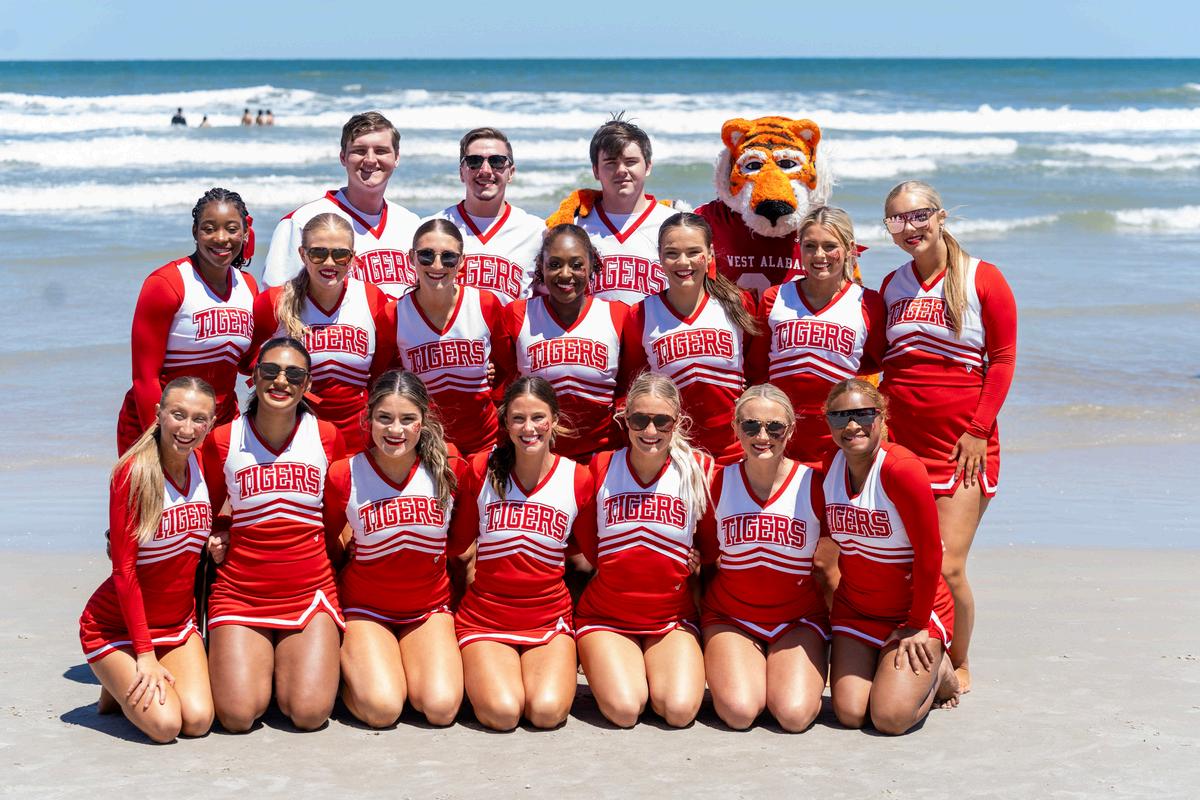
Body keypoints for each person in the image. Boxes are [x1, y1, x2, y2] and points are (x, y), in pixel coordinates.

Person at [879, 180, 1017, 694]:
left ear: (941, 216)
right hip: (902, 443)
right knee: (909, 557)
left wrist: (979, 430)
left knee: (948, 564)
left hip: (963, 447)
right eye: (897, 220)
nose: (910, 227)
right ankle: (916, 641)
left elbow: (1002, 360)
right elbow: (879, 360)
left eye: (919, 215)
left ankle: (959, 660)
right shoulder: (891, 285)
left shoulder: (982, 277)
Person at [201, 337, 345, 732]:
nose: (281, 381)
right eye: (271, 371)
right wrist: (222, 531)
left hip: (310, 592)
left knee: (309, 714)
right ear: (254, 376)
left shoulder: (326, 435)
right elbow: (206, 505)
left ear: (307, 385)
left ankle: (305, 664)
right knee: (237, 716)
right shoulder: (224, 438)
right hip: (240, 591)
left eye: (294, 375)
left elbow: (337, 515)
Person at [323, 370, 467, 728]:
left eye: (407, 419)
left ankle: (396, 667)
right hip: (365, 609)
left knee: (441, 708)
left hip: (428, 609)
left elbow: (461, 540)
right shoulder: (345, 473)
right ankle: (350, 677)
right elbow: (326, 540)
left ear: (423, 420)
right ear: (368, 419)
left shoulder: (449, 465)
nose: (395, 430)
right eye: (384, 418)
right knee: (383, 710)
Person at [448, 377, 592, 731]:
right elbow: (457, 544)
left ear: (554, 419)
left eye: (538, 417)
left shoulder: (578, 478)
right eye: (518, 419)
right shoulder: (481, 469)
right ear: (505, 423)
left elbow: (591, 549)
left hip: (548, 619)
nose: (529, 428)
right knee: (502, 713)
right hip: (485, 619)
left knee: (546, 712)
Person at [80, 377, 217, 743]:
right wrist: (144, 654)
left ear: (211, 424)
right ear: (158, 414)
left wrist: (219, 538)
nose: (187, 428)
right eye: (178, 414)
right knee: (166, 726)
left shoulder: (200, 463)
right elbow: (124, 572)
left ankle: (116, 687)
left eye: (199, 419)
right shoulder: (133, 473)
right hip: (116, 627)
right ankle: (115, 668)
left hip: (177, 623)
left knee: (198, 721)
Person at [822, 378, 960, 734]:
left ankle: (940, 670)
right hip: (856, 610)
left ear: (882, 417)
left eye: (863, 414)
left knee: (889, 719)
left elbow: (930, 554)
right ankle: (889, 668)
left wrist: (918, 624)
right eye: (839, 417)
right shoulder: (830, 465)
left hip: (911, 613)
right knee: (850, 714)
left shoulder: (901, 469)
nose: (852, 426)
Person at [573, 372, 709, 728]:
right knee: (625, 710)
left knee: (679, 711)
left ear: (677, 421)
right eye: (639, 420)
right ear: (625, 419)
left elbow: (712, 541)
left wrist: (692, 559)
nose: (650, 430)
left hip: (670, 619)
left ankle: (651, 670)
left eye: (662, 421)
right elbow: (591, 546)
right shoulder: (601, 467)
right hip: (606, 617)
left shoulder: (698, 470)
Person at [698, 384, 828, 732]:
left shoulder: (814, 483)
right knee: (740, 713)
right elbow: (706, 555)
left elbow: (837, 562)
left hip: (798, 620)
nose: (762, 436)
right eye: (751, 425)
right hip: (731, 617)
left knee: (794, 715)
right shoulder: (717, 482)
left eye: (775, 427)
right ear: (735, 427)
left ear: (791, 430)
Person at [116, 188, 258, 454]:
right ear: (195, 232)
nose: (221, 238)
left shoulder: (248, 286)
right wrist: (159, 441)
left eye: (231, 229)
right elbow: (145, 378)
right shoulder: (167, 283)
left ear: (245, 233)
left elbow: (247, 362)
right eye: (209, 229)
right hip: (160, 427)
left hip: (218, 426)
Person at [748, 206, 885, 466]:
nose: (819, 255)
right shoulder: (775, 298)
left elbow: (873, 361)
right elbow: (757, 368)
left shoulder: (868, 302)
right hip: (780, 437)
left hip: (839, 438)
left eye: (829, 246)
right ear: (799, 248)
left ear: (849, 248)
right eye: (810, 246)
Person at [619, 212, 758, 465]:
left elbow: (758, 374)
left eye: (694, 252)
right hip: (672, 453)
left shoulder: (738, 304)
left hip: (734, 452)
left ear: (710, 254)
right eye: (672, 253)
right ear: (660, 257)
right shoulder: (640, 315)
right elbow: (631, 388)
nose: (683, 262)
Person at [250, 213, 394, 455]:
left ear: (352, 257)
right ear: (302, 254)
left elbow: (383, 371)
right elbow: (249, 363)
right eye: (318, 253)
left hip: (360, 440)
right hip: (294, 438)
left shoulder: (371, 298)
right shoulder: (275, 302)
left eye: (340, 254)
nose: (329, 263)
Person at [494, 224, 627, 463]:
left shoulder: (619, 316)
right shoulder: (516, 315)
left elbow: (627, 390)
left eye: (576, 265)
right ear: (541, 267)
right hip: (536, 456)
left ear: (592, 265)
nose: (565, 274)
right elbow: (504, 388)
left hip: (602, 458)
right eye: (554, 264)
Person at [263, 111, 420, 297]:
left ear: (396, 158)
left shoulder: (411, 224)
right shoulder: (301, 222)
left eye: (381, 151)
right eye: (359, 151)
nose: (370, 160)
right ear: (343, 157)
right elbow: (275, 300)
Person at [392, 219, 503, 456]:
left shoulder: (484, 304)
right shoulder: (394, 314)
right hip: (426, 445)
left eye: (448, 257)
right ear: (411, 257)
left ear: (462, 261)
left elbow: (508, 368)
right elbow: (385, 380)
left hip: (484, 443)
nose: (437, 265)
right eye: (426, 255)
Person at [427, 127, 543, 304]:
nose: (486, 170)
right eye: (474, 161)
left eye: (497, 161)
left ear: (511, 173)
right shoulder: (433, 228)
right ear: (461, 173)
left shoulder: (536, 232)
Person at [571, 116, 676, 305]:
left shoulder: (674, 224)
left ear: (648, 166)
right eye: (611, 163)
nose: (621, 170)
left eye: (630, 161)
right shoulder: (575, 226)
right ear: (596, 171)